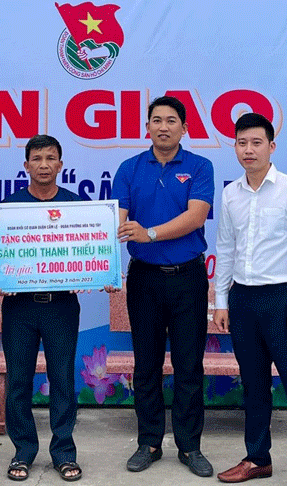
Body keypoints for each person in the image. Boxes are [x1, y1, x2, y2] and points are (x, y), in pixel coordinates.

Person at [213, 113, 287, 486]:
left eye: (256, 142)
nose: (248, 150)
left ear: (271, 147)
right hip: (242, 301)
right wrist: (221, 301)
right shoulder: (230, 194)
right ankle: (257, 458)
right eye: (242, 143)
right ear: (235, 147)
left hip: (281, 301)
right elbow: (225, 249)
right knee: (254, 386)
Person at [111, 96, 215, 477]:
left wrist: (149, 232)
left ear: (184, 128)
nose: (163, 126)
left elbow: (195, 216)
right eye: (156, 120)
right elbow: (118, 220)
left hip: (188, 278)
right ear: (147, 127)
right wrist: (103, 249)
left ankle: (190, 447)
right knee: (147, 365)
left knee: (189, 365)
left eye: (171, 120)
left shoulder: (200, 167)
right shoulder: (130, 168)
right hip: (144, 279)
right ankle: (149, 442)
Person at [0, 135, 83, 482]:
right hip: (19, 307)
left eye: (51, 158)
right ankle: (23, 451)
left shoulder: (79, 207)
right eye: (37, 158)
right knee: (18, 381)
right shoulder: (8, 208)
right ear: (26, 166)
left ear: (61, 165)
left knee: (62, 380)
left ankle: (63, 452)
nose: (44, 165)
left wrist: (100, 272)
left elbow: (90, 253)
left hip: (61, 306)